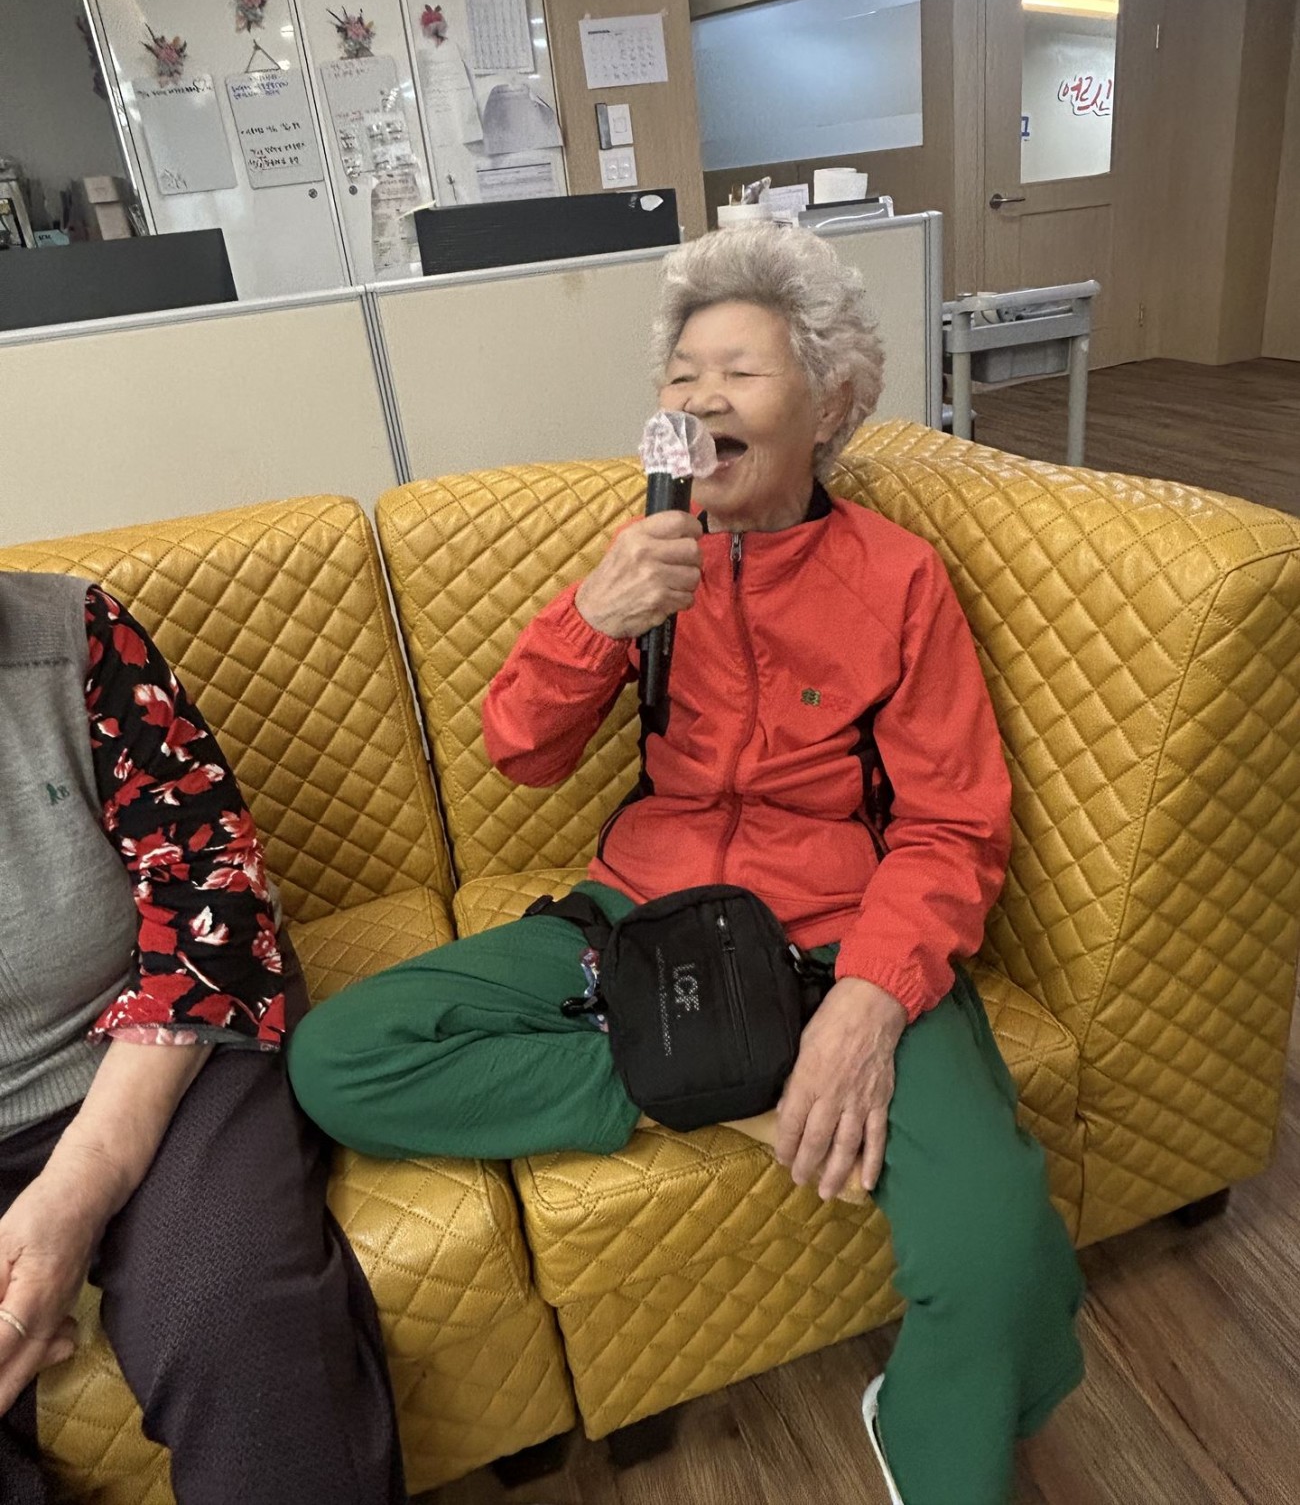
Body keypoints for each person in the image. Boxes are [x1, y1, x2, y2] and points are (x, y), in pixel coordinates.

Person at [288, 224, 1085, 1505]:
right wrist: (593, 618)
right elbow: (518, 750)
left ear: (831, 401)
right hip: (640, 915)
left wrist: (868, 1006)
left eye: (740, 372)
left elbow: (951, 826)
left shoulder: (897, 577)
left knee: (998, 1238)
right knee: (340, 1056)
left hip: (837, 933)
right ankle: (724, 1076)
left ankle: (925, 1431)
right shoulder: (640, 557)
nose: (701, 398)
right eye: (682, 374)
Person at [0, 573, 405, 1505]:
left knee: (231, 1311)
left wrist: (78, 1187)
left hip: (162, 1043)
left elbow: (211, 903)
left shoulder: (75, 632)